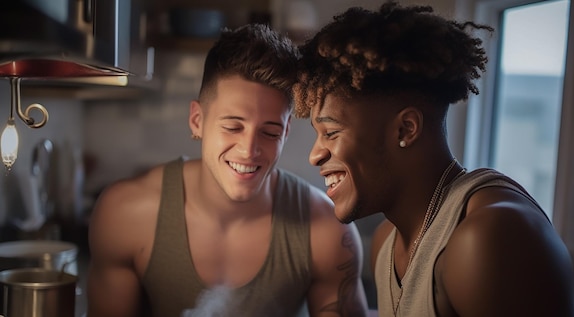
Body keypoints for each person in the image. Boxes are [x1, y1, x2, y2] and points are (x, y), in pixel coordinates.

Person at [293, 2, 574, 317]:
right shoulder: (387, 243)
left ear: (406, 129)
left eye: (331, 133)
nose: (315, 154)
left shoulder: (490, 237)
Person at [86, 23, 369, 317]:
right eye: (233, 127)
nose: (249, 150)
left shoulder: (326, 229)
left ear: (286, 132)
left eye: (269, 133)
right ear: (197, 120)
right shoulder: (125, 213)